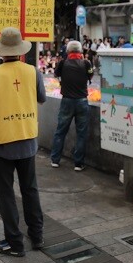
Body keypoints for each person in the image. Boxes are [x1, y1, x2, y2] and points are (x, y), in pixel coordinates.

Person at [0, 27, 46, 257]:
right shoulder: (33, 71)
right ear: (20, 50)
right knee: (30, 190)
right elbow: (41, 99)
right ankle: (37, 236)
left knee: (5, 193)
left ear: (2, 51)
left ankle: (15, 243)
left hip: (4, 143)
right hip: (27, 139)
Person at [50, 40, 93, 171]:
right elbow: (90, 75)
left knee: (60, 131)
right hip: (82, 101)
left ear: (68, 51)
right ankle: (78, 164)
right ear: (80, 51)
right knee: (81, 134)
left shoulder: (63, 62)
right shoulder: (86, 63)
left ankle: (55, 160)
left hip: (67, 101)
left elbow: (56, 74)